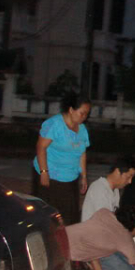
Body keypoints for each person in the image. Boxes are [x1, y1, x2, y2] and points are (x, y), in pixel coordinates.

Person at [32, 92, 91, 224]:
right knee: (49, 217)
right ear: (71, 110)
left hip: (70, 177)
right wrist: (44, 172)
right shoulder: (54, 124)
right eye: (82, 113)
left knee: (70, 217)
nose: (84, 117)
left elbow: (82, 152)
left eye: (86, 114)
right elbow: (41, 147)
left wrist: (84, 175)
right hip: (51, 176)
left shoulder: (81, 129)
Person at [80, 155, 135, 222]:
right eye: (128, 177)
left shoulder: (115, 190)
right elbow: (105, 221)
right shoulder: (99, 188)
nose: (130, 181)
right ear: (117, 172)